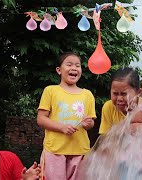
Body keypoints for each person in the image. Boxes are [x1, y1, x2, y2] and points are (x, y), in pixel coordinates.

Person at [37, 52, 96, 180]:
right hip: (54, 151)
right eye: (69, 64)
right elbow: (41, 119)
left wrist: (88, 124)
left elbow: (90, 123)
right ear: (59, 70)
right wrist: (61, 127)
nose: (74, 68)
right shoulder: (50, 91)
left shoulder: (88, 95)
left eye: (78, 66)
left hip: (80, 151)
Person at [99, 67, 142, 135]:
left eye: (124, 94)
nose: (119, 98)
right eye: (115, 93)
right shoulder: (109, 107)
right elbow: (105, 137)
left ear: (138, 92)